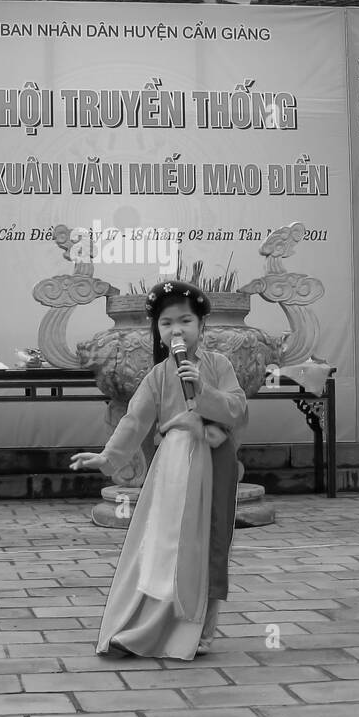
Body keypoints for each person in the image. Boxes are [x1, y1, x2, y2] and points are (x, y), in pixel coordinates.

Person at [71, 279, 248, 660]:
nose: (176, 330)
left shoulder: (219, 366)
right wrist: (108, 457)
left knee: (211, 545)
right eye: (167, 323)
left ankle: (200, 630)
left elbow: (237, 409)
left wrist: (202, 390)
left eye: (185, 320)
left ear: (202, 326)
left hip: (213, 466)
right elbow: (135, 421)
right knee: (165, 545)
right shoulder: (157, 376)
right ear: (158, 331)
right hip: (173, 469)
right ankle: (155, 622)